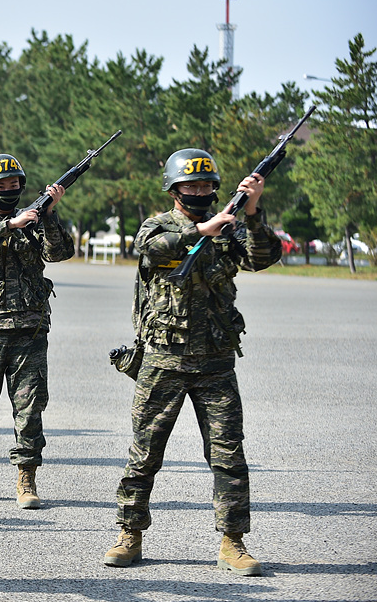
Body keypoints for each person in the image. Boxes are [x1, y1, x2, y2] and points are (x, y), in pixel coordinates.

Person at [102, 148, 281, 576]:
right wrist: (204, 227)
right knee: (145, 453)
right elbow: (151, 250)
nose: (199, 191)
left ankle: (232, 541)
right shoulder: (158, 225)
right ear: (174, 189)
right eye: (191, 185)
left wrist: (252, 213)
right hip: (163, 359)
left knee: (228, 454)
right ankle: (130, 533)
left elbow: (262, 257)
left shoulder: (229, 228)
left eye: (206, 186)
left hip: (216, 361)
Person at [0, 154, 72, 506]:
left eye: (14, 184)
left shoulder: (37, 220)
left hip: (29, 329)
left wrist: (48, 216)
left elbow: (61, 252)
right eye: (1, 185)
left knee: (30, 407)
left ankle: (26, 479)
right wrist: (10, 225)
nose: (9, 189)